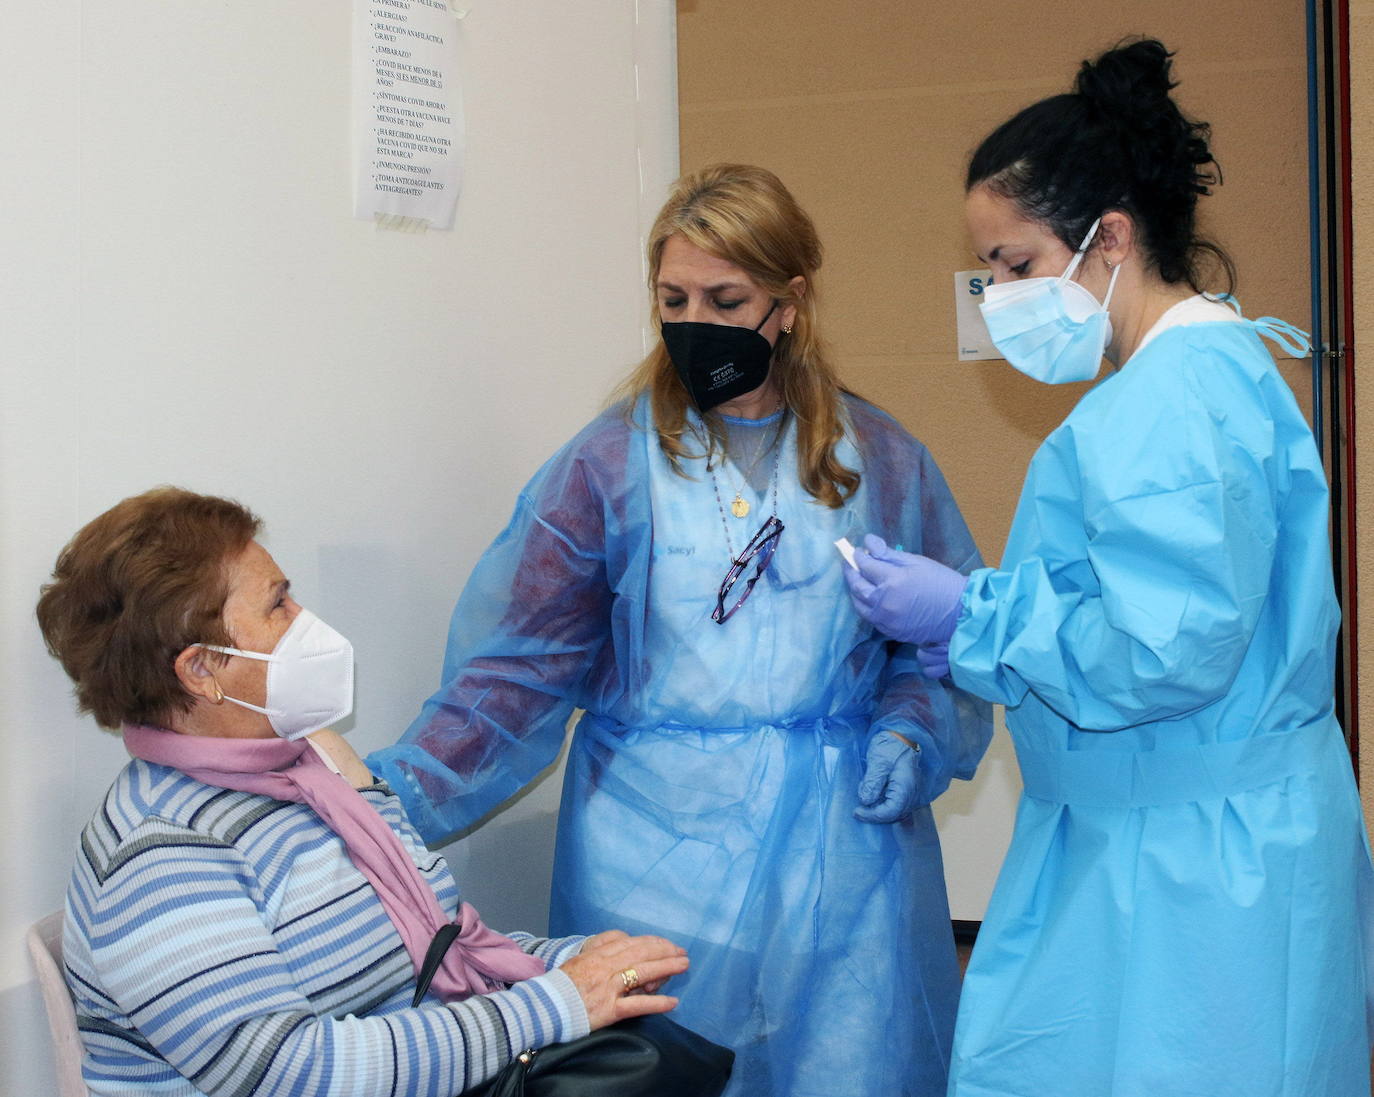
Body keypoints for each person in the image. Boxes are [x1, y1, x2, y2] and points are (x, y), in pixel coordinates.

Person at [366, 164, 992, 1097]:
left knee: (846, 1070)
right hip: (652, 856)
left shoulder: (880, 460)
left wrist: (913, 726)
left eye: (726, 297)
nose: (695, 319)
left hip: (841, 861)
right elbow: (514, 677)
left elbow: (944, 640)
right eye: (673, 296)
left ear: (790, 303)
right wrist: (376, 811)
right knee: (662, 1076)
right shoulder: (608, 468)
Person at [844, 39, 1374, 1097]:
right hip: (1194, 836)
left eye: (1017, 265)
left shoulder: (1169, 400)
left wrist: (971, 614)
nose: (998, 297)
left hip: (1191, 868)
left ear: (1111, 239)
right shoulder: (1207, 366)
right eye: (987, 269)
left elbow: (1160, 652)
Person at [39, 487, 691, 1097]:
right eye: (277, 604)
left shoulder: (305, 774)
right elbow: (298, 1074)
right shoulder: (160, 859)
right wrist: (559, 1001)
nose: (304, 620)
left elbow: (440, 949)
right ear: (203, 669)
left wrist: (578, 965)